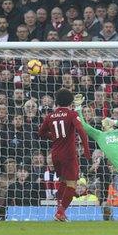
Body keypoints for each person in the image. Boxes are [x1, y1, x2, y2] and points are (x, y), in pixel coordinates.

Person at [38, 88, 91, 221]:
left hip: (55, 155)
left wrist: (55, 137)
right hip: (68, 154)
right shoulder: (72, 114)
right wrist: (86, 149)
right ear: (71, 102)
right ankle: (60, 212)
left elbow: (40, 133)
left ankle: (59, 211)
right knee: (72, 185)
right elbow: (81, 130)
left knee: (62, 182)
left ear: (56, 101)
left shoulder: (50, 116)